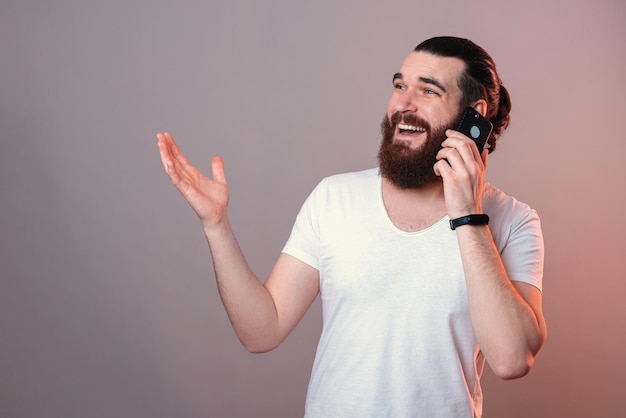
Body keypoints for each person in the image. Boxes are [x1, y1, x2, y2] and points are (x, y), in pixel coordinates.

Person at [156, 36, 546, 418]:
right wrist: (216, 225)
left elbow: (512, 359)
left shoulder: (514, 220)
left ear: (472, 114)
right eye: (399, 86)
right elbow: (262, 331)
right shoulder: (334, 198)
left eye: (428, 92)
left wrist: (467, 215)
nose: (402, 104)